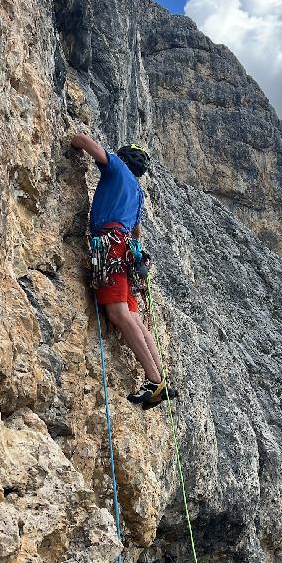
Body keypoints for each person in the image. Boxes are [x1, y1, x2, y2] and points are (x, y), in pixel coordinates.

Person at [71, 133, 172, 406]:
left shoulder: (116, 166)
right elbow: (137, 231)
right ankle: (161, 377)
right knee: (136, 319)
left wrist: (71, 141)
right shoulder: (138, 194)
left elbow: (87, 143)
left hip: (111, 245)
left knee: (117, 312)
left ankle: (154, 381)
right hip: (127, 251)